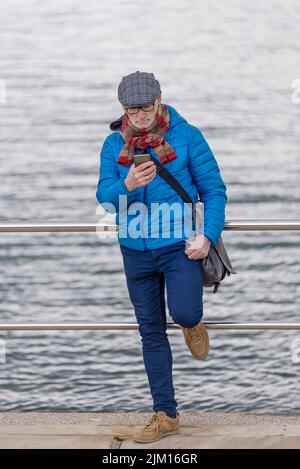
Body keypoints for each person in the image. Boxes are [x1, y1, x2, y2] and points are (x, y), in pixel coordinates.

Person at [96, 71, 227, 443]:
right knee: (150, 333)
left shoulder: (186, 137)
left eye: (145, 107)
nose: (139, 116)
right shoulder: (112, 145)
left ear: (160, 99)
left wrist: (207, 235)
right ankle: (165, 415)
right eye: (131, 109)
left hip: (179, 246)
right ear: (124, 107)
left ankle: (192, 323)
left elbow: (214, 191)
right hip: (134, 251)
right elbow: (106, 199)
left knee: (184, 311)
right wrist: (128, 185)